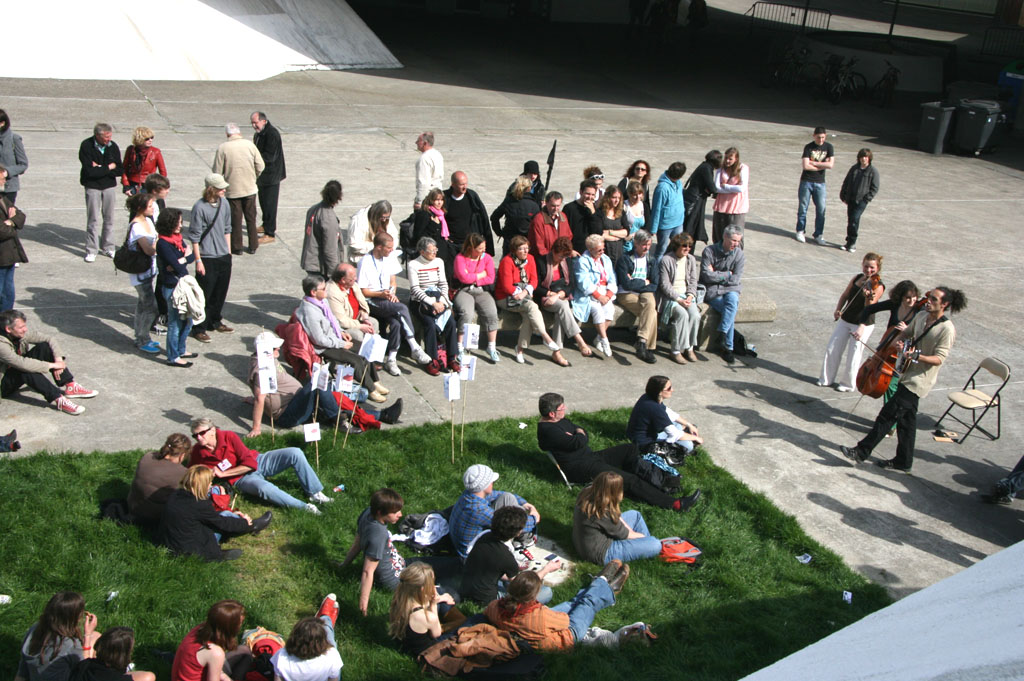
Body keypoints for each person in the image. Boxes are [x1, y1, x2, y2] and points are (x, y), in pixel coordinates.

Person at [841, 286, 967, 472]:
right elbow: (907, 333)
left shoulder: (946, 329)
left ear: (945, 304)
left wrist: (915, 356)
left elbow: (939, 358)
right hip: (906, 373)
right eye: (929, 298)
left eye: (934, 299)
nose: (929, 301)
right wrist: (899, 342)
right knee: (907, 423)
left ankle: (861, 451)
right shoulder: (922, 316)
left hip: (918, 380)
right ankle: (903, 461)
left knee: (887, 416)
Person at [537, 392, 701, 511]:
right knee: (628, 480)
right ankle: (675, 504)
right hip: (579, 468)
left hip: (589, 457)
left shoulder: (559, 420)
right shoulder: (548, 431)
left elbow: (581, 432)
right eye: (561, 409)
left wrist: (578, 434)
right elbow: (579, 439)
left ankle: (654, 483)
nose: (565, 410)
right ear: (551, 414)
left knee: (629, 449)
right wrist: (578, 435)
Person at [246, 331, 401, 438]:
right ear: (265, 350)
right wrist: (256, 428)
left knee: (334, 399)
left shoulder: (264, 358)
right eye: (274, 347)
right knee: (317, 385)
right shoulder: (262, 368)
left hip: (297, 402)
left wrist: (255, 401)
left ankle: (383, 415)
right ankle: (339, 422)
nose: (278, 348)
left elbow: (266, 392)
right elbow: (261, 396)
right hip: (288, 414)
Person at [342, 489, 458, 616]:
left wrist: (343, 565)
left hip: (401, 564)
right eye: (395, 512)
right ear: (380, 512)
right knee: (453, 595)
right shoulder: (377, 536)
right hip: (397, 580)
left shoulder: (368, 513)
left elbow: (358, 542)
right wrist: (363, 605)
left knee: (452, 564)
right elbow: (367, 572)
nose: (400, 514)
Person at [189, 416, 332, 514]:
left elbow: (250, 463)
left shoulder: (229, 436)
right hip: (241, 479)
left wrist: (223, 474)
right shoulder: (197, 452)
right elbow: (191, 472)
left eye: (202, 433)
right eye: (195, 436)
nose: (199, 438)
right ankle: (305, 507)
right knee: (264, 488)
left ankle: (314, 492)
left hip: (257, 460)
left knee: (295, 452)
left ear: (213, 430)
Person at [484, 564, 628, 652]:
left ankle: (600, 585)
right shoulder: (538, 616)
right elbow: (565, 621)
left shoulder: (496, 606)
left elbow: (488, 612)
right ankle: (604, 585)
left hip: (531, 628)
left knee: (574, 603)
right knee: (586, 604)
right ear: (533, 596)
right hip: (567, 635)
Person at [293, 275, 387, 400]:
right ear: (313, 292)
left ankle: (374, 381)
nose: (326, 291)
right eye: (323, 289)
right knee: (356, 360)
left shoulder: (322, 301)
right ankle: (371, 390)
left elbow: (333, 320)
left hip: (335, 338)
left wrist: (342, 332)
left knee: (365, 349)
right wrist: (342, 344)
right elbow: (319, 339)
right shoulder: (309, 312)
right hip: (324, 347)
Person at [160, 465, 271, 561]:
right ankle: (252, 526)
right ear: (203, 485)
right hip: (191, 550)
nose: (211, 484)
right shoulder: (199, 505)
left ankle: (245, 524)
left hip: (173, 543)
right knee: (226, 516)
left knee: (221, 516)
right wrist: (244, 522)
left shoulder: (175, 495)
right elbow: (222, 523)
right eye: (209, 483)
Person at [357, 232, 432, 371]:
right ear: (379, 247)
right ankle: (414, 346)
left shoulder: (389, 258)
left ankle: (391, 359)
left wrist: (391, 293)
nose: (392, 251)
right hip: (372, 299)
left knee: (396, 323)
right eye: (389, 248)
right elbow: (363, 292)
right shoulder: (365, 262)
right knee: (402, 308)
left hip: (386, 297)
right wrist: (382, 294)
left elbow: (393, 282)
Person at [0, 309, 97, 415]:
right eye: (21, 327)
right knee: (25, 369)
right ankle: (58, 399)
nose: (25, 329)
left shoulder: (17, 333)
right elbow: (22, 363)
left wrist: (59, 360)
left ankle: (70, 385)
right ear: (8, 329)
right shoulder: (1, 344)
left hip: (13, 370)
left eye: (24, 326)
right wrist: (52, 365)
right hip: (3, 385)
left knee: (45, 347)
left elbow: (49, 339)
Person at [462, 506, 558, 605]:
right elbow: (523, 586)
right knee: (546, 592)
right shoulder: (506, 557)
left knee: (509, 579)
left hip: (466, 588)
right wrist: (547, 569)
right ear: (518, 532)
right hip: (487, 601)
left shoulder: (484, 536)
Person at [818, 253, 885, 392]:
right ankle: (826, 378)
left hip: (863, 324)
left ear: (877, 268)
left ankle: (848, 384)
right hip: (846, 318)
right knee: (832, 348)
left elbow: (870, 307)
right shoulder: (857, 278)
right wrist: (838, 309)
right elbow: (845, 295)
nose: (868, 270)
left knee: (854, 354)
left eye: (872, 267)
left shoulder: (878, 286)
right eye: (866, 266)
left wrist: (868, 296)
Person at [854, 279, 921, 419]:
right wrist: (861, 326)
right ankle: (889, 418)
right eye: (907, 297)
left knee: (892, 386)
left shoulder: (920, 311)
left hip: (905, 353)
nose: (911, 300)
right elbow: (869, 309)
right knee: (888, 386)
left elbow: (924, 333)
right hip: (888, 349)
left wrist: (908, 330)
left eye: (914, 297)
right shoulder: (894, 304)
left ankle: (890, 420)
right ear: (900, 297)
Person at [449, 463, 540, 560]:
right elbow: (510, 525)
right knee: (509, 524)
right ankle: (521, 543)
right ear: (484, 486)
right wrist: (534, 519)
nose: (493, 483)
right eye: (491, 481)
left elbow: (499, 494)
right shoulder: (478, 510)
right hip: (473, 557)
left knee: (507, 498)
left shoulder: (469, 495)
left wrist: (524, 503)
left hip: (471, 543)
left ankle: (521, 540)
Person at [495, 235, 563, 365]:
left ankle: (520, 349)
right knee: (532, 307)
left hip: (524, 296)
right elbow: (506, 285)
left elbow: (534, 280)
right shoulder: (507, 261)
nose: (526, 251)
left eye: (527, 248)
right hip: (506, 297)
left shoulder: (530, 259)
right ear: (515, 250)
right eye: (522, 249)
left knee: (528, 315)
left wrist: (525, 292)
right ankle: (546, 337)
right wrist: (519, 293)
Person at [573, 471, 663, 565]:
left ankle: (643, 549)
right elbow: (625, 534)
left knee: (635, 515)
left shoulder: (588, 491)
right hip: (600, 553)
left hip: (585, 542)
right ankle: (646, 549)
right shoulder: (603, 513)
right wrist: (644, 538)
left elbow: (617, 519)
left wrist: (635, 535)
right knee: (656, 544)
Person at [188, 174, 234, 344]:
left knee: (220, 292)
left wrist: (228, 253)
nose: (224, 190)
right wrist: (198, 260)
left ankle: (215, 321)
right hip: (207, 256)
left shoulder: (225, 203)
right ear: (211, 189)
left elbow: (227, 228)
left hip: (223, 256)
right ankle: (198, 327)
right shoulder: (199, 207)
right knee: (204, 294)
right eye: (221, 188)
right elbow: (194, 236)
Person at [16, 592, 101, 681]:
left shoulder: (35, 629)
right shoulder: (70, 644)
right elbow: (84, 670)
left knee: (95, 635)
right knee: (94, 637)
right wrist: (87, 635)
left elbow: (23, 668)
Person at [407, 237, 460, 375]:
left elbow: (443, 284)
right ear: (422, 252)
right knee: (429, 324)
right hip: (420, 302)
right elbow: (415, 289)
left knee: (451, 323)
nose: (435, 253)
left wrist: (442, 302)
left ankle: (451, 357)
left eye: (435, 250)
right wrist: (432, 303)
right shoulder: (413, 264)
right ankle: (432, 359)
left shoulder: (438, 262)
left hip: (438, 299)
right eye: (431, 251)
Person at [211, 123, 264, 255]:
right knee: (251, 218)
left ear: (227, 134)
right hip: (250, 188)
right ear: (239, 133)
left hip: (232, 190)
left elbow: (217, 172)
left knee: (236, 220)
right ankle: (253, 245)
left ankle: (237, 247)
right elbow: (261, 165)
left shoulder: (223, 148)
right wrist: (254, 176)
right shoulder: (250, 145)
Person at [536, 236, 592, 359]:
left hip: (561, 297)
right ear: (553, 251)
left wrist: (559, 295)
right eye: (560, 256)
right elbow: (536, 287)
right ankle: (580, 341)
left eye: (565, 257)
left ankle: (557, 352)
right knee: (563, 306)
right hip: (545, 298)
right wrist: (550, 294)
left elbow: (570, 284)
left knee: (561, 312)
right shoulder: (541, 261)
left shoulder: (566, 261)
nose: (562, 259)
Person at [155, 208, 197, 367]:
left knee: (188, 321)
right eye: (178, 222)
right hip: (172, 287)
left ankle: (181, 349)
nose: (181, 225)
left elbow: (191, 256)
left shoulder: (177, 239)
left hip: (182, 284)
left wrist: (182, 259)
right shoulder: (163, 244)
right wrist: (183, 259)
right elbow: (177, 266)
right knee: (175, 323)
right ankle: (173, 356)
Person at [171, 600, 250, 681]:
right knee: (245, 654)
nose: (240, 626)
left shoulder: (201, 628)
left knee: (245, 650)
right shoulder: (215, 652)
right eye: (240, 622)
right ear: (229, 627)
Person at [388, 563, 455, 657]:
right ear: (423, 589)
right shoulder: (426, 617)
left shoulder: (399, 601)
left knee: (442, 595)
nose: (433, 586)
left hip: (406, 645)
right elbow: (437, 633)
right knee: (473, 620)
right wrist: (433, 605)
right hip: (429, 650)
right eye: (431, 583)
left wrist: (441, 598)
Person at [700, 224, 745, 364]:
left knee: (732, 302)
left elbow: (736, 278)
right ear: (725, 237)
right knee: (729, 309)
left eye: (738, 241)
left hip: (731, 289)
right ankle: (728, 348)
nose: (736, 244)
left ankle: (723, 335)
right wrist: (727, 274)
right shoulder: (709, 251)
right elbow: (706, 276)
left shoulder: (739, 254)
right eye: (733, 240)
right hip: (713, 291)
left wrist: (716, 274)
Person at [452, 233, 500, 363]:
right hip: (463, 290)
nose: (482, 251)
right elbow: (463, 278)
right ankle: (459, 346)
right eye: (480, 248)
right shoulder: (460, 259)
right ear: (471, 247)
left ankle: (491, 346)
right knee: (467, 313)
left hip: (480, 290)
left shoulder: (487, 258)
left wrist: (473, 277)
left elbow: (490, 278)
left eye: (484, 248)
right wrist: (480, 274)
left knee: (491, 312)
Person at [271, 596, 343, 681]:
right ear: (322, 642)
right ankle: (326, 618)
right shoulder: (331, 656)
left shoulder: (282, 656)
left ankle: (325, 618)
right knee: (331, 640)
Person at [626, 375, 703, 455]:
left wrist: (689, 425)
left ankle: (684, 434)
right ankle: (681, 446)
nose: (672, 390)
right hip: (644, 442)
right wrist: (696, 438)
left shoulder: (648, 397)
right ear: (660, 392)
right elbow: (675, 434)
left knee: (677, 424)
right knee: (688, 446)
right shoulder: (655, 408)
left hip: (636, 433)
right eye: (669, 388)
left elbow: (669, 412)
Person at [79, 123, 123, 262]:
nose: (108, 140)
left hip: (109, 186)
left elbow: (119, 169)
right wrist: (108, 167)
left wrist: (99, 167)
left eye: (110, 136)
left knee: (109, 218)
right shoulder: (86, 146)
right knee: (93, 219)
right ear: (97, 135)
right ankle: (91, 249)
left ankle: (108, 247)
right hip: (92, 186)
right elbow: (89, 171)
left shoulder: (113, 146)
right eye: (106, 137)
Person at [123, 192, 161, 354]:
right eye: (150, 206)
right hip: (140, 273)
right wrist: (160, 242)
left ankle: (140, 336)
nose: (153, 208)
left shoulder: (148, 221)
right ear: (140, 208)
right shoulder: (137, 227)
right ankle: (143, 339)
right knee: (151, 307)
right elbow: (149, 250)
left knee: (141, 305)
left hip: (149, 270)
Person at [614, 229, 659, 364]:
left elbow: (655, 284)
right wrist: (644, 282)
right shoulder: (625, 259)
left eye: (649, 245)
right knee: (652, 313)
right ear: (636, 244)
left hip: (645, 292)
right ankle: (648, 348)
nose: (647, 248)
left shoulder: (651, 260)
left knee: (650, 305)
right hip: (626, 294)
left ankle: (642, 342)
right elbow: (626, 284)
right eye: (644, 245)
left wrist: (635, 281)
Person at [571, 234, 618, 358]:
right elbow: (583, 283)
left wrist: (608, 295)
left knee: (610, 309)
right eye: (599, 250)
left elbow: (612, 279)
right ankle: (605, 340)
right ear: (590, 250)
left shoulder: (606, 259)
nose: (602, 252)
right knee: (597, 310)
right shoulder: (583, 261)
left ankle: (598, 338)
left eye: (603, 249)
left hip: (604, 291)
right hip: (588, 294)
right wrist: (598, 296)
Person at [127, 433, 189, 525]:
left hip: (132, 505)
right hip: (155, 517)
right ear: (182, 456)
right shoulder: (183, 473)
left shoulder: (148, 456)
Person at [658, 232, 701, 364]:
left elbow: (694, 281)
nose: (687, 249)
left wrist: (690, 295)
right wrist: (679, 300)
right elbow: (665, 285)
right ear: (676, 246)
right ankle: (675, 350)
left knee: (695, 315)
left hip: (686, 296)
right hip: (672, 297)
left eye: (689, 246)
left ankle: (689, 348)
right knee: (682, 315)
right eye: (684, 246)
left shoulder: (691, 260)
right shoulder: (666, 260)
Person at [442, 171, 493, 263]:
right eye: (461, 184)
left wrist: (488, 247)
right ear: (453, 184)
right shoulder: (444, 199)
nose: (465, 187)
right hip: (452, 245)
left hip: (470, 245)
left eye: (466, 183)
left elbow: (484, 219)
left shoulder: (472, 197)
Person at [250, 111, 286, 244]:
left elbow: (270, 157)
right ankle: (265, 224)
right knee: (263, 202)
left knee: (270, 204)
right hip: (262, 176)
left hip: (271, 175)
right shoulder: (259, 134)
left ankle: (270, 232)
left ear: (264, 121)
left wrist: (253, 160)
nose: (254, 125)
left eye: (256, 122)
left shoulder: (272, 134)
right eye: (252, 123)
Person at [795, 126, 835, 244]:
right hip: (806, 181)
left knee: (821, 209)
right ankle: (800, 230)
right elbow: (805, 166)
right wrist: (822, 164)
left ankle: (818, 234)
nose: (821, 140)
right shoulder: (808, 147)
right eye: (818, 137)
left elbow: (831, 165)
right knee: (803, 208)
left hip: (820, 183)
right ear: (814, 136)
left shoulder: (829, 147)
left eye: (823, 137)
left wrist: (814, 163)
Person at [69, 627, 154, 681]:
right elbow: (148, 676)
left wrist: (87, 635)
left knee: (94, 634)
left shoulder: (84, 666)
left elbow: (85, 658)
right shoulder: (119, 678)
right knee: (149, 676)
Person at [326, 263, 380, 346]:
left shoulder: (353, 285)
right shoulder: (332, 293)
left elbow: (363, 304)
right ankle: (359, 356)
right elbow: (341, 321)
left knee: (373, 322)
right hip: (342, 327)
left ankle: (371, 350)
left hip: (356, 318)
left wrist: (365, 318)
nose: (356, 278)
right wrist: (360, 326)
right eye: (352, 278)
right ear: (343, 280)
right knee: (357, 334)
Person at [839, 148, 880, 253]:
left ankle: (852, 242)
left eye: (866, 157)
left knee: (854, 219)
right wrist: (843, 194)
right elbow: (846, 181)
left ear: (869, 158)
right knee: (850, 220)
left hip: (861, 200)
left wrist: (867, 199)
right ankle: (848, 242)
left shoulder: (873, 171)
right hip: (851, 199)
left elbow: (875, 188)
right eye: (862, 157)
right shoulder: (854, 169)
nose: (864, 159)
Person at [300, 180, 344, 278]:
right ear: (339, 196)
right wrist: (334, 275)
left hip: (310, 261)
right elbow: (330, 249)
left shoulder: (313, 209)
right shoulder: (329, 218)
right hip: (320, 267)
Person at [0, 164, 28, 311]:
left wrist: (10, 222)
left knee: (8, 293)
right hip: (2, 256)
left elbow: (21, 216)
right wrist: (12, 223)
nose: (5, 181)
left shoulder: (3, 198)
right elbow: (2, 231)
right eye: (3, 179)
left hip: (8, 256)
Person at [490, 175, 540, 258]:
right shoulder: (534, 205)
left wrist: (500, 232)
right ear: (529, 188)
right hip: (526, 242)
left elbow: (494, 217)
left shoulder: (509, 201)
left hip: (510, 241)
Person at [682, 150, 722, 245]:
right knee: (691, 227)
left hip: (695, 198)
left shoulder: (705, 166)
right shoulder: (706, 168)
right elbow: (712, 187)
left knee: (692, 226)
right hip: (695, 201)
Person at [711, 147, 749, 245]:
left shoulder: (743, 168)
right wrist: (733, 189)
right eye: (726, 158)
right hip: (721, 206)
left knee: (735, 236)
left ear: (736, 159)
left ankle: (735, 258)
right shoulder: (720, 169)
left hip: (736, 207)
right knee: (718, 235)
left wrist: (726, 186)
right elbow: (716, 188)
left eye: (730, 159)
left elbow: (741, 188)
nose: (727, 161)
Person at [649, 161, 686, 260]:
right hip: (665, 225)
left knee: (678, 247)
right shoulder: (662, 188)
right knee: (662, 249)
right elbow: (656, 209)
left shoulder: (678, 183)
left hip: (678, 223)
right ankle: (657, 269)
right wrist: (653, 229)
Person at [345, 200, 399, 264]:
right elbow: (354, 244)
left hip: (381, 260)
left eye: (387, 218)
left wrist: (389, 247)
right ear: (376, 214)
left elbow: (394, 235)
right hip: (361, 260)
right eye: (382, 217)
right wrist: (377, 248)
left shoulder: (386, 219)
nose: (384, 220)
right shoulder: (358, 220)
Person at [121, 126, 166, 196]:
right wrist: (126, 185)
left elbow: (163, 171)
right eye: (147, 139)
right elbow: (124, 168)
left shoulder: (155, 152)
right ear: (140, 139)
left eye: (152, 138)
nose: (150, 140)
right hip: (133, 183)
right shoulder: (131, 150)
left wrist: (161, 186)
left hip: (149, 184)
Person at [527, 191, 572, 258]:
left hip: (561, 257)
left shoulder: (563, 217)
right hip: (545, 258)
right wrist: (551, 257)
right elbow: (538, 244)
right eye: (553, 206)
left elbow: (568, 236)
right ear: (546, 203)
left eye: (558, 206)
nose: (556, 209)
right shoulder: (539, 219)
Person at [563, 180, 601, 255]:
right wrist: (569, 250)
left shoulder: (596, 210)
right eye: (587, 194)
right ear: (580, 192)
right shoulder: (569, 208)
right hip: (574, 252)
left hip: (591, 253)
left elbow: (598, 232)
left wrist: (593, 213)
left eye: (593, 195)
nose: (590, 197)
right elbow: (564, 232)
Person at [597, 185, 631, 263]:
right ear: (607, 197)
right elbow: (600, 234)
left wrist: (610, 232)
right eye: (614, 197)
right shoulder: (600, 212)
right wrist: (616, 237)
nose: (617, 200)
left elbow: (626, 232)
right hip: (604, 250)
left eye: (618, 198)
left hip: (618, 250)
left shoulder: (621, 212)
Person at [0, 110, 28, 204]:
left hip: (7, 189)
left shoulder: (14, 139)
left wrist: (6, 172)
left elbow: (23, 164)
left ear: (2, 123)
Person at [414, 132, 443, 210]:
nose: (416, 142)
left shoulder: (424, 159)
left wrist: (420, 202)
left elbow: (423, 183)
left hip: (429, 199)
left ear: (425, 143)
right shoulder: (437, 154)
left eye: (418, 141)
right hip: (438, 197)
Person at [622, 180, 647, 255]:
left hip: (640, 241)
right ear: (629, 194)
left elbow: (648, 225)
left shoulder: (644, 206)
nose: (637, 197)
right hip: (627, 242)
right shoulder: (624, 206)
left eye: (640, 193)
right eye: (634, 194)